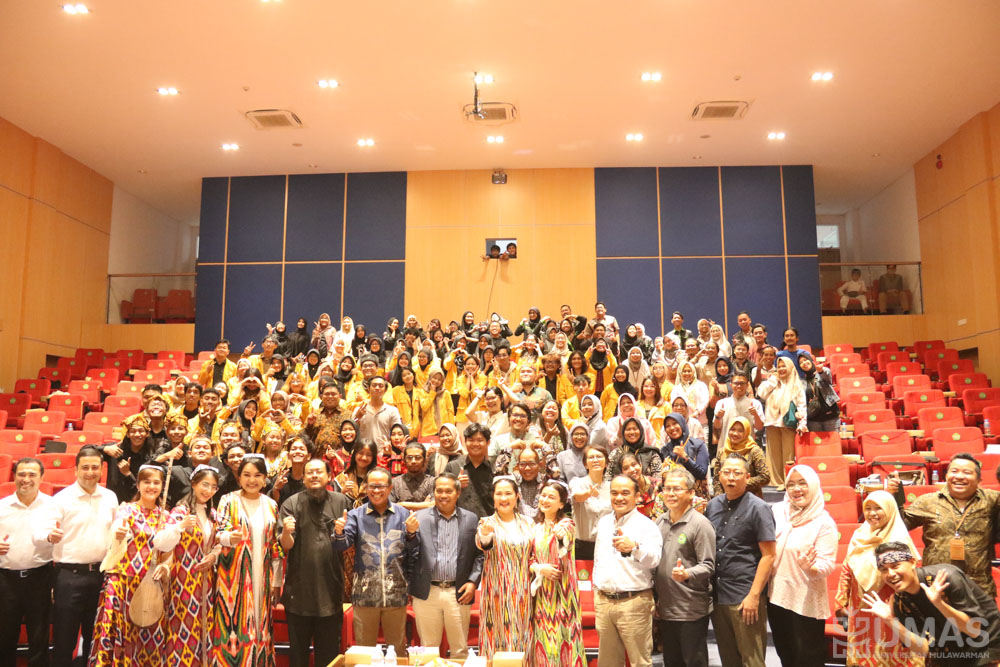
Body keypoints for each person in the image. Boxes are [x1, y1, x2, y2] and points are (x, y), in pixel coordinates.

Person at [40, 445, 119, 665]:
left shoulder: (110, 497)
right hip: (69, 576)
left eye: (95, 467)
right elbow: (46, 530)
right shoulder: (61, 499)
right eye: (85, 468)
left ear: (101, 469)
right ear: (76, 470)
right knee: (64, 637)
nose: (90, 472)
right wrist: (49, 535)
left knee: (94, 637)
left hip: (101, 575)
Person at [863, 542, 1000, 665]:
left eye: (895, 566)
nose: (890, 574)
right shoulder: (900, 600)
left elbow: (974, 630)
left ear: (913, 562)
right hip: (949, 651)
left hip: (986, 644)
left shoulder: (946, 578)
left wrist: (939, 603)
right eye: (884, 570)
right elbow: (923, 649)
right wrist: (890, 620)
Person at [334, 467, 420, 657]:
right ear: (366, 488)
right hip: (364, 594)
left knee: (398, 651)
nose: (376, 490)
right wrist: (339, 532)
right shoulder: (356, 515)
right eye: (372, 486)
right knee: (365, 652)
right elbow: (342, 545)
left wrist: (412, 533)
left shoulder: (404, 514)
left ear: (390, 488)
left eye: (381, 486)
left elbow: (414, 550)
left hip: (396, 593)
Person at [889, 452, 1000, 597]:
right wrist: (893, 497)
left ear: (979, 480)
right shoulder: (928, 501)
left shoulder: (992, 500)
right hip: (936, 586)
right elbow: (899, 525)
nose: (959, 476)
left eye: (967, 472)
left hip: (979, 587)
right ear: (946, 476)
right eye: (954, 471)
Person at [89, 464, 169, 666]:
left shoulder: (165, 516)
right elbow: (118, 531)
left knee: (146, 639)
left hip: (150, 584)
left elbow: (168, 554)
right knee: (117, 633)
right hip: (122, 581)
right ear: (138, 484)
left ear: (162, 486)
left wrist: (166, 566)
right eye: (146, 482)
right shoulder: (126, 509)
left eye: (156, 482)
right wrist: (118, 534)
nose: (151, 486)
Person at [279, 458, 352, 667]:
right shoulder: (291, 503)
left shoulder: (342, 502)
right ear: (303, 478)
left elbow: (350, 544)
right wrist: (286, 532)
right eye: (309, 472)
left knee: (329, 656)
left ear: (329, 476)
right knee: (298, 656)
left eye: (319, 472)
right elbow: (286, 546)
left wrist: (342, 532)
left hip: (331, 592)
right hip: (298, 593)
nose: (314, 475)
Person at [835, 490, 922, 667]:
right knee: (865, 655)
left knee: (894, 651)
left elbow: (912, 578)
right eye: (868, 508)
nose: (872, 513)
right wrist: (840, 603)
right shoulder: (859, 535)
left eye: (878, 508)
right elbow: (847, 568)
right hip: (862, 608)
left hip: (893, 607)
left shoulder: (900, 539)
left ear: (889, 510)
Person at [706, 453, 776, 667]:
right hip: (719, 595)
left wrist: (754, 596)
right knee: (729, 659)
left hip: (744, 595)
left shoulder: (759, 508)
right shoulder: (712, 506)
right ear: (719, 475)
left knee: (752, 660)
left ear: (747, 477)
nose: (731, 477)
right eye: (727, 472)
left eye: (737, 473)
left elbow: (769, 555)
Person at [213, 455, 283, 666]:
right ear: (239, 477)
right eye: (247, 475)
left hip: (262, 576)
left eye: (257, 475)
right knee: (233, 625)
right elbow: (218, 532)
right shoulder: (228, 500)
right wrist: (228, 538)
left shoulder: (271, 504)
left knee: (261, 626)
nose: (252, 480)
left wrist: (277, 581)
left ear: (265, 478)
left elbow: (275, 544)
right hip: (233, 577)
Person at [767, 465, 838, 667]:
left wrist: (810, 568)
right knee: (786, 654)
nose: (796, 489)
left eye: (802, 483)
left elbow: (827, 564)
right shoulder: (778, 511)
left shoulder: (824, 522)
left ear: (813, 486)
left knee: (808, 658)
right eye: (791, 484)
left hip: (806, 601)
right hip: (777, 597)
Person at [410, 473, 484, 660]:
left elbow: (479, 554)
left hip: (458, 592)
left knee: (460, 650)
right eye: (439, 491)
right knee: (428, 650)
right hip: (427, 592)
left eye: (448, 491)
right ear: (433, 493)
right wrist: (409, 535)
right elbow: (409, 554)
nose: (443, 495)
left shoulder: (471, 519)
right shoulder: (419, 518)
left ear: (457, 493)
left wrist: (473, 582)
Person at [154, 464, 222, 666]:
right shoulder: (179, 511)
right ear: (193, 484)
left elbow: (219, 543)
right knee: (182, 625)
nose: (208, 490)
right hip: (182, 581)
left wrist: (214, 556)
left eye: (213, 487)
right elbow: (161, 543)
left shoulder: (213, 515)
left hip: (206, 582)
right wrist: (179, 527)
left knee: (204, 626)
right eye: (204, 485)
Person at [592, 475, 663, 667]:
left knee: (640, 662)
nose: (619, 498)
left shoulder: (647, 525)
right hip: (604, 601)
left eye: (625, 493)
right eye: (614, 493)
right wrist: (597, 590)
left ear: (637, 496)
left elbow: (655, 560)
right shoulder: (604, 522)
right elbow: (599, 558)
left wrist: (635, 547)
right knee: (607, 663)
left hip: (634, 602)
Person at [654, 468, 716, 667]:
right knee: (672, 662)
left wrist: (687, 573)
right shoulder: (660, 521)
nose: (670, 493)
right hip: (666, 608)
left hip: (690, 610)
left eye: (677, 489)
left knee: (693, 662)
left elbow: (708, 565)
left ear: (691, 493)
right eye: (667, 488)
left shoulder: (700, 524)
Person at [0, 457, 53, 667]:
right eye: (21, 474)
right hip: (6, 580)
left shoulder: (52, 505)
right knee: (4, 637)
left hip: (40, 577)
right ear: (14, 476)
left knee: (39, 638)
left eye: (32, 474)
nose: (26, 479)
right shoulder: (2, 506)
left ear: (41, 477)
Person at [475, 476, 535, 660]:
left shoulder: (529, 523)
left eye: (508, 493)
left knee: (523, 638)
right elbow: (483, 543)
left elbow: (535, 554)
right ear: (493, 497)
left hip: (524, 592)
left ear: (517, 496)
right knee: (496, 638)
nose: (503, 498)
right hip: (496, 593)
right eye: (499, 494)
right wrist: (485, 535)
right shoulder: (486, 522)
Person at [529, 480, 587, 667]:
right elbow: (529, 559)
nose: (545, 500)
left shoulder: (567, 524)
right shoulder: (534, 528)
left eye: (551, 497)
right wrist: (539, 568)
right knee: (543, 639)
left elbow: (565, 546)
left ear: (561, 504)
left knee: (565, 637)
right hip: (542, 594)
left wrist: (561, 536)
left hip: (563, 592)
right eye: (543, 496)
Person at [757, 353, 807, 489]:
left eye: (784, 366)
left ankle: (788, 481)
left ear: (790, 367)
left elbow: (802, 406)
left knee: (788, 454)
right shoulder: (773, 382)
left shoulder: (796, 385)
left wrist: (802, 423)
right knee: (773, 454)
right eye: (779, 367)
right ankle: (775, 481)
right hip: (772, 422)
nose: (781, 369)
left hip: (787, 423)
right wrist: (773, 380)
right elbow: (761, 393)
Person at [712, 416, 770, 498]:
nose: (735, 433)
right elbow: (716, 479)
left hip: (750, 498)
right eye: (732, 429)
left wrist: (740, 482)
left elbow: (765, 477)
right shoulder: (722, 452)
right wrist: (720, 498)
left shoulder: (754, 451)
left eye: (740, 431)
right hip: (726, 498)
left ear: (746, 432)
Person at [660, 411, 711, 499]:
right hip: (672, 496)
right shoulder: (665, 449)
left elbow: (702, 473)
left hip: (695, 497)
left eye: (675, 423)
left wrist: (685, 457)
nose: (672, 428)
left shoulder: (698, 445)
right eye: (667, 426)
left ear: (682, 424)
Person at [711, 372, 763, 448]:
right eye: (736, 383)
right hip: (726, 447)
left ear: (747, 385)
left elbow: (759, 427)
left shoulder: (755, 404)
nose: (739, 386)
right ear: (731, 385)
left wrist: (755, 415)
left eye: (742, 383)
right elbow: (717, 427)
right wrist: (718, 417)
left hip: (747, 447)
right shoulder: (722, 403)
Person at [799, 353, 841, 432]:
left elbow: (827, 375)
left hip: (830, 417)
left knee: (833, 440)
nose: (804, 363)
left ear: (811, 360)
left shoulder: (822, 372)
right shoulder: (802, 381)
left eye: (805, 360)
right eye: (801, 362)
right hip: (813, 420)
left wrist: (821, 371)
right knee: (817, 440)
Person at [390, 442, 435, 511]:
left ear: (424, 460)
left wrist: (401, 504)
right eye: (409, 457)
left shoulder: (432, 482)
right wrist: (424, 505)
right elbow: (390, 507)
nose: (413, 461)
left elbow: (434, 505)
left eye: (418, 457)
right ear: (404, 460)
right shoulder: (395, 483)